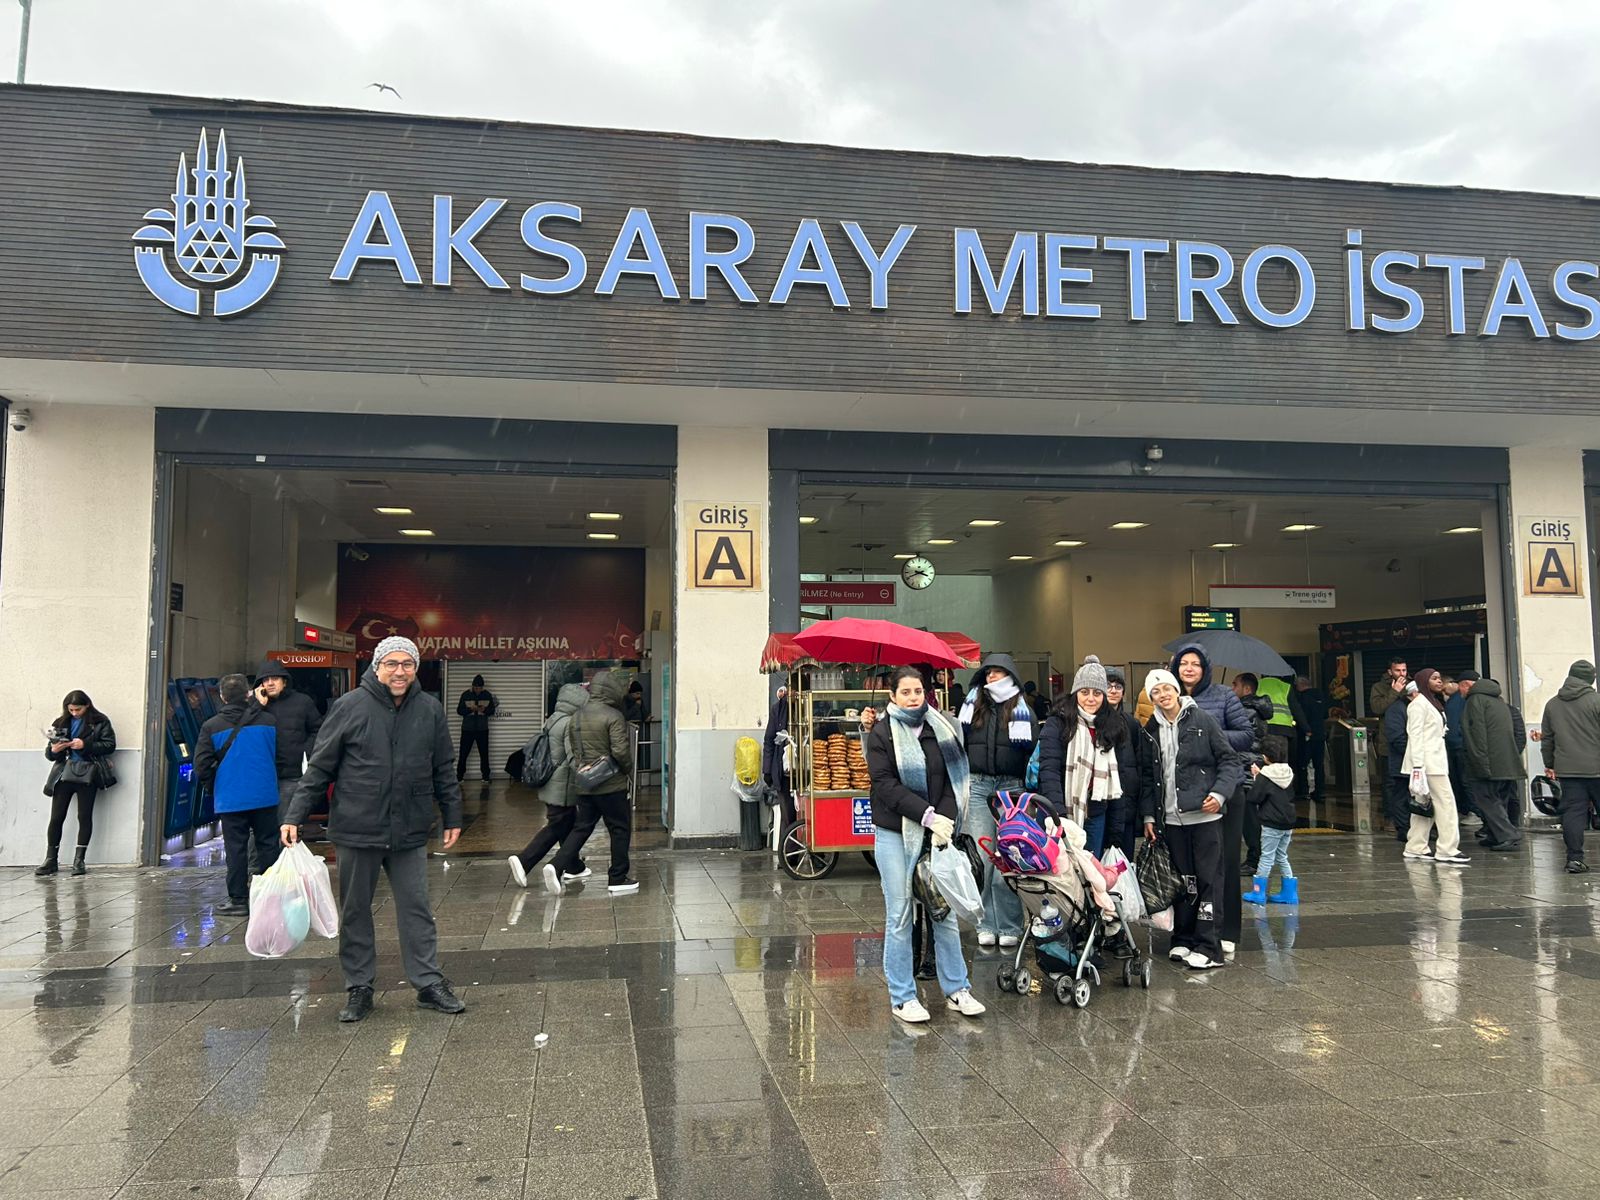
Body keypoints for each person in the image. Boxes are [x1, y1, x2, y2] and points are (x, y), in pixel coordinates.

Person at [282, 635, 465, 1023]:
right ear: (377, 667)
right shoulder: (350, 706)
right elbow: (320, 766)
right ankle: (359, 987)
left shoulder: (429, 709)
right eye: (392, 664)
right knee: (355, 911)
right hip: (357, 825)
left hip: (410, 827)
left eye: (408, 664)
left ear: (415, 668)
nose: (400, 671)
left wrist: (453, 815)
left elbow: (443, 767)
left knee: (417, 909)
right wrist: (294, 815)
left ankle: (428, 983)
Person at [864, 665, 985, 1022]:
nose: (913, 697)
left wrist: (942, 821)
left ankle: (957, 988)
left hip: (938, 835)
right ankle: (903, 996)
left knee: (942, 910)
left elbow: (954, 779)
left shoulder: (941, 728)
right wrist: (927, 815)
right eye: (905, 692)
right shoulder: (882, 732)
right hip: (894, 834)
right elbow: (884, 785)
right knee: (900, 914)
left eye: (917, 691)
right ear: (892, 695)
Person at [1138, 668, 1241, 970]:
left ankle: (1209, 946)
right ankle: (1184, 938)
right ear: (1151, 698)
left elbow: (1229, 759)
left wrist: (1219, 794)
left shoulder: (1202, 720)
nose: (1163, 695)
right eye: (1156, 692)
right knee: (1184, 883)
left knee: (1209, 881)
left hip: (1204, 817)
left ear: (1177, 690)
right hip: (1170, 820)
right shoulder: (1150, 730)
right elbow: (1148, 777)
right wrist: (1149, 816)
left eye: (1167, 688)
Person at [1170, 643, 1255, 956]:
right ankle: (1192, 931)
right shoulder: (1170, 696)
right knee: (1191, 868)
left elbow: (1246, 734)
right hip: (1188, 798)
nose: (1189, 669)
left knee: (1226, 862)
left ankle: (1226, 929)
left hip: (1225, 791)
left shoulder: (1223, 696)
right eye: (1184, 663)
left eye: (1195, 664)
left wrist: (1208, 731)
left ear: (1205, 669)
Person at [956, 652, 1039, 950]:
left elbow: (1032, 751)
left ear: (1010, 675)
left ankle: (1010, 925)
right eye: (988, 672)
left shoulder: (1023, 710)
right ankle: (985, 923)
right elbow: (959, 744)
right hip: (978, 785)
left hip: (1011, 788)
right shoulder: (972, 705)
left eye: (998, 672)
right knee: (982, 858)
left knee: (1009, 857)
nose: (992, 677)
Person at [544, 670, 638, 896]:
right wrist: (627, 771)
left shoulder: (577, 715)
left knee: (581, 828)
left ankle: (556, 865)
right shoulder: (614, 716)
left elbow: (576, 751)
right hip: (611, 785)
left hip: (585, 784)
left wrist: (585, 771)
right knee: (619, 828)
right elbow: (620, 751)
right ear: (612, 691)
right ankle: (618, 878)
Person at [195, 674, 281, 916]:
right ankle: (270, 896)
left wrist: (214, 787)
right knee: (268, 846)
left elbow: (201, 765)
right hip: (265, 795)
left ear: (222, 697)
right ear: (247, 694)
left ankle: (239, 900)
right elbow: (281, 755)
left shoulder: (211, 726)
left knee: (236, 849)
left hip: (231, 798)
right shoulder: (269, 721)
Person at [1039, 655, 1126, 857]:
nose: (1090, 699)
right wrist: (1058, 815)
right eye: (1084, 692)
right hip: (1060, 810)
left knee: (1091, 866)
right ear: (1075, 692)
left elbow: (1119, 778)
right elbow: (1049, 768)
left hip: (1096, 812)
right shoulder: (1058, 721)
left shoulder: (1113, 726)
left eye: (1097, 693)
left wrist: (1116, 830)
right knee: (1060, 868)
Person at [507, 682, 590, 887]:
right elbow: (573, 758)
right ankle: (524, 861)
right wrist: (588, 775)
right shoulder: (570, 723)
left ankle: (574, 866)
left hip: (550, 783)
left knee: (567, 825)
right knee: (558, 825)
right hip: (562, 787)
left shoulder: (553, 719)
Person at [37, 691, 116, 877]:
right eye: (71, 710)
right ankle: (50, 859)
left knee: (84, 816)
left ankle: (79, 860)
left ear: (87, 705)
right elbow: (50, 754)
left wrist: (85, 745)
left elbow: (109, 745)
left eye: (78, 709)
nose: (74, 713)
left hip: (88, 773)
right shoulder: (61, 722)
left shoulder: (100, 721)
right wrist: (54, 749)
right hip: (63, 773)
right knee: (56, 817)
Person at [1401, 669, 1470, 865]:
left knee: (1423, 806)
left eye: (1439, 678)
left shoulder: (1432, 703)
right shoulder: (1419, 705)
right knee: (1446, 804)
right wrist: (1418, 766)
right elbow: (1415, 736)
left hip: (1431, 762)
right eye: (1434, 678)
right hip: (1428, 764)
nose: (1439, 681)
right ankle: (1447, 848)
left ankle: (1415, 846)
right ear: (1424, 681)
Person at [1539, 659, 1600, 874]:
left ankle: (1575, 859)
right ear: (1590, 679)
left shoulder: (1552, 704)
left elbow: (1547, 739)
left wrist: (1550, 764)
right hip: (1597, 768)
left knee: (1573, 813)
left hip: (1568, 770)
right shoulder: (1596, 701)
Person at [252, 659, 324, 815]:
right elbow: (244, 730)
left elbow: (318, 730)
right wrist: (258, 705)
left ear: (284, 682)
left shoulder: (302, 702)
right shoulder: (255, 705)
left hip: (292, 774)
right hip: (261, 775)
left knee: (286, 821)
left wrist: (304, 752)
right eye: (266, 680)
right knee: (263, 824)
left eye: (275, 678)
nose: (270, 683)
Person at [1460, 676, 1524, 851]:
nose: (1460, 692)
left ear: (1466, 685)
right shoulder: (1498, 701)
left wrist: (1480, 764)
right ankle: (1495, 835)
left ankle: (1508, 835)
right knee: (1499, 800)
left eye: (1460, 687)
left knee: (1487, 800)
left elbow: (1476, 735)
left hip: (1488, 763)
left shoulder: (1475, 701)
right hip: (1505, 762)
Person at [1242, 735, 1298, 905]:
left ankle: (1258, 892)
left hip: (1271, 822)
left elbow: (1254, 797)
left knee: (1266, 857)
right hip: (1288, 822)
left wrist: (1256, 777)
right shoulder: (1288, 772)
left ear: (1265, 757)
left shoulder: (1265, 775)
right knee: (1282, 855)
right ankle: (1290, 893)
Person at [1231, 673, 1272, 875]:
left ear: (1247, 689)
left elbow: (1235, 736)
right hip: (1252, 764)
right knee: (1251, 816)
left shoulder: (1246, 710)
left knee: (1249, 819)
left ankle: (1255, 859)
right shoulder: (1257, 709)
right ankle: (1256, 857)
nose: (1232, 689)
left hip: (1246, 765)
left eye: (1235, 685)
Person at [1103, 668, 1142, 856]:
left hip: (1127, 796)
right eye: (1108, 686)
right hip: (1101, 797)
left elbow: (1139, 760)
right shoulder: (1092, 721)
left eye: (1118, 686)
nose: (1113, 690)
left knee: (1124, 857)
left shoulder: (1132, 723)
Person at [1370, 656, 1408, 801]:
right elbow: (1377, 708)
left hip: (1408, 740)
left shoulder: (1411, 685)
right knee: (1389, 782)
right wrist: (1394, 691)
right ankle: (1389, 811)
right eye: (1397, 670)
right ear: (1390, 671)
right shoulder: (1379, 687)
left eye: (1404, 670)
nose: (1402, 673)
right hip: (1387, 742)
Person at [1444, 670, 1478, 819]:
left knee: (1465, 780)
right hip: (1459, 746)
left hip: (1460, 746)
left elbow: (1456, 725)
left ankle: (1475, 812)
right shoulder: (1458, 700)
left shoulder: (1459, 700)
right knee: (1462, 780)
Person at [1382, 687, 1413, 843]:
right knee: (1401, 794)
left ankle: (1415, 828)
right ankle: (1403, 828)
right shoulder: (1397, 709)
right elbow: (1397, 737)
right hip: (1402, 761)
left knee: (1414, 795)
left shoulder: (1419, 707)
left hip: (1415, 760)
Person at [762, 684, 795, 829]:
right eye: (792, 690)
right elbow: (769, 740)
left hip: (807, 771)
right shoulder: (778, 709)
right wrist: (767, 770)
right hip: (783, 771)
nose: (793, 694)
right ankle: (790, 840)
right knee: (788, 815)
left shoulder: (811, 707)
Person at [455, 674, 497, 782]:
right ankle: (459, 776)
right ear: (473, 686)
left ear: (483, 687)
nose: (478, 690)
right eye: (476, 688)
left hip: (482, 729)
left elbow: (492, 711)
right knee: (463, 754)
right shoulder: (465, 695)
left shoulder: (487, 695)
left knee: (484, 754)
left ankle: (486, 776)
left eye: (480, 688)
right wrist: (470, 709)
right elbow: (459, 711)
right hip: (467, 729)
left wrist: (484, 710)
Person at [1294, 676, 1330, 801]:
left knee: (1302, 763)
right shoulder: (1321, 696)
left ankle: (1303, 790)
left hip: (1306, 734)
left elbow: (1300, 716)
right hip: (1320, 734)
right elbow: (1325, 714)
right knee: (1319, 764)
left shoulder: (1302, 698)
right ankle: (1320, 790)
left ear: (1300, 685)